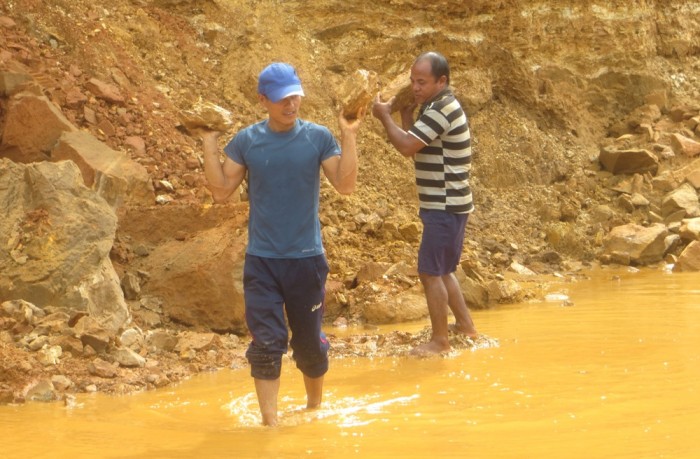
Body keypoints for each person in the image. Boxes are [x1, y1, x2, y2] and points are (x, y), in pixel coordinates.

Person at [199, 62, 364, 426]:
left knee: (308, 344)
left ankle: (314, 411)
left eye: (295, 97)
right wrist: (209, 143)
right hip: (262, 261)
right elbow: (222, 191)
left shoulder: (318, 137)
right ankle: (269, 427)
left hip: (307, 260)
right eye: (281, 100)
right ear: (263, 100)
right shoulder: (246, 141)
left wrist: (349, 134)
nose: (291, 105)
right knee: (267, 342)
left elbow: (346, 185)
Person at [371, 51, 478, 356]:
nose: (415, 87)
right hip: (451, 204)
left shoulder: (440, 109)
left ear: (441, 81)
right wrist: (406, 116)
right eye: (412, 81)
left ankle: (440, 342)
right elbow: (420, 147)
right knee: (443, 270)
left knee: (430, 272)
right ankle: (466, 327)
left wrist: (385, 116)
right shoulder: (435, 106)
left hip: (444, 206)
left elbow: (406, 147)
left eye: (422, 82)